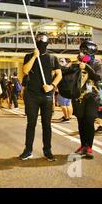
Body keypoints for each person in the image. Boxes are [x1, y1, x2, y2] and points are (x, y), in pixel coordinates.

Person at [19, 33, 62, 162]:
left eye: (43, 43)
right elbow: (25, 70)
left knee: (46, 124)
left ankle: (47, 150)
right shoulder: (28, 56)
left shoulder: (52, 58)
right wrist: (34, 57)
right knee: (31, 124)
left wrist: (52, 86)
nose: (41, 45)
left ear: (47, 44)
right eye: (38, 42)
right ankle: (28, 150)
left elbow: (59, 75)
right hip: (31, 95)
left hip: (47, 95)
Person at [69, 40, 102, 160]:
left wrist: (87, 67)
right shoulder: (76, 62)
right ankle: (83, 145)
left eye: (84, 51)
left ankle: (89, 147)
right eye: (81, 50)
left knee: (89, 120)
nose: (82, 53)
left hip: (92, 96)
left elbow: (98, 77)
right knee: (81, 121)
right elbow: (68, 74)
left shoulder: (97, 63)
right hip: (78, 96)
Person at [57, 58, 73, 123]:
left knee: (63, 104)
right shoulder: (72, 70)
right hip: (70, 89)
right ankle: (69, 116)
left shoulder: (63, 70)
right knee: (68, 104)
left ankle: (66, 118)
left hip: (63, 89)